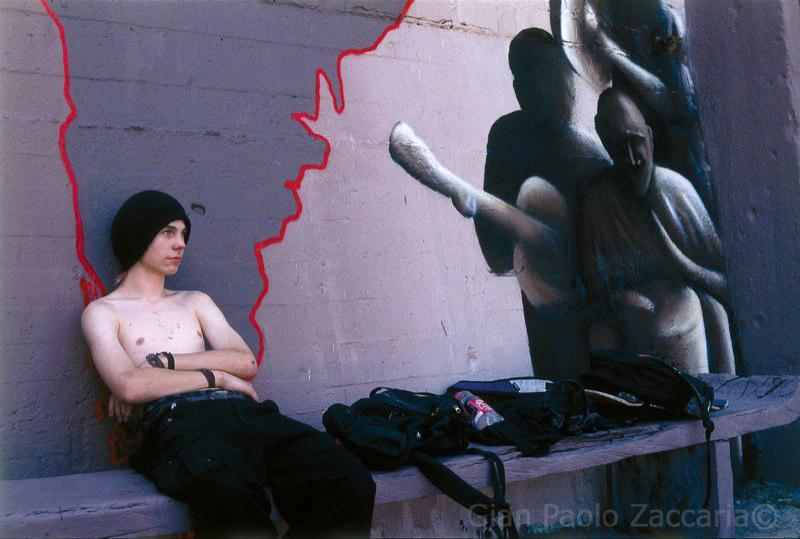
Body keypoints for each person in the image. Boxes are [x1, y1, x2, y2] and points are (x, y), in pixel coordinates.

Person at [80, 190, 376, 538]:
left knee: (347, 479)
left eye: (183, 234)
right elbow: (129, 385)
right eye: (168, 232)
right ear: (138, 235)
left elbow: (244, 362)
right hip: (180, 423)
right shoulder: (104, 312)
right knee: (230, 495)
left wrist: (167, 363)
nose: (180, 244)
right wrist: (217, 376)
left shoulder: (194, 301)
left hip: (246, 413)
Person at [477, 28, 610, 379]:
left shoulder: (590, 153)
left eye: (556, 75)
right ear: (519, 88)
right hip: (547, 302)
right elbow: (492, 232)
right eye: (533, 78)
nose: (554, 89)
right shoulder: (509, 136)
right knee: (561, 382)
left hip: (592, 300)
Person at [577, 88, 734, 374]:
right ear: (605, 144)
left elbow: (726, 285)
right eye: (618, 146)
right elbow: (594, 292)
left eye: (635, 142)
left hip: (687, 326)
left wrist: (683, 265)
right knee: (600, 335)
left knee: (714, 312)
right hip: (634, 335)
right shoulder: (598, 201)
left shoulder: (678, 193)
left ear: (649, 138)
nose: (631, 157)